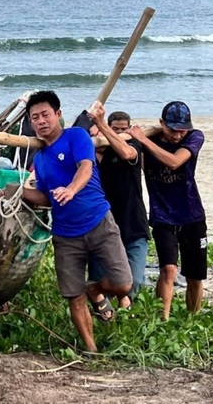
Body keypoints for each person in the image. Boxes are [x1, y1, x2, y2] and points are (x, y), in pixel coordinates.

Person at [20, 91, 131, 354]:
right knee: (73, 295)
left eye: (45, 114)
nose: (41, 121)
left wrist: (70, 189)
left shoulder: (76, 136)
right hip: (65, 235)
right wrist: (16, 191)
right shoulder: (39, 159)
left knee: (123, 283)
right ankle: (90, 349)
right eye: (35, 117)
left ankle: (95, 289)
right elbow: (46, 198)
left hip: (98, 221)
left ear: (58, 114)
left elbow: (85, 167)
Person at [128, 101, 206, 319]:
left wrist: (143, 139)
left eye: (182, 130)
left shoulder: (195, 137)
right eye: (172, 129)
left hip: (192, 215)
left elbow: (174, 162)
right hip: (162, 215)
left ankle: (193, 320)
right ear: (161, 123)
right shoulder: (147, 140)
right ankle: (162, 320)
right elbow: (126, 152)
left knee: (194, 276)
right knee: (168, 270)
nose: (177, 135)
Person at [89, 106, 150, 310]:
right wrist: (95, 131)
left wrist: (101, 124)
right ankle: (103, 306)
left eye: (123, 129)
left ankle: (122, 301)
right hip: (103, 226)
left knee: (134, 281)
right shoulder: (94, 154)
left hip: (133, 223)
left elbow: (125, 153)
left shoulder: (132, 146)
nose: (118, 133)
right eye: (115, 129)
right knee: (100, 276)